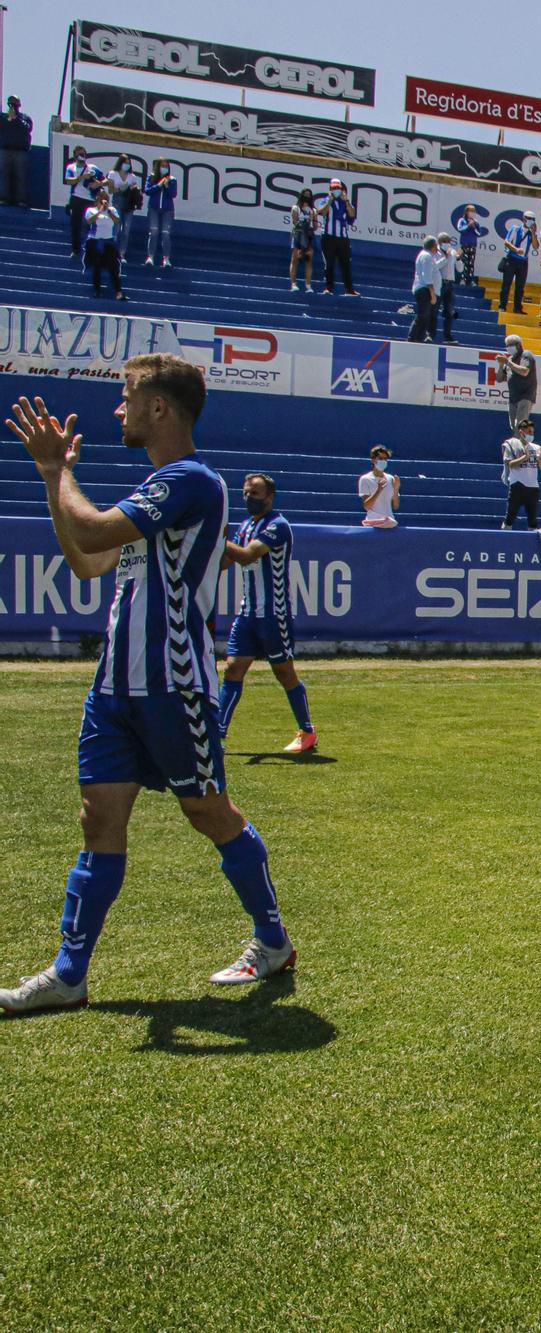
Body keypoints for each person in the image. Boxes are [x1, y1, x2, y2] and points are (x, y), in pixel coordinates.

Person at [0, 358, 298, 1017]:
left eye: (128, 396)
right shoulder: (159, 489)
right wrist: (54, 476)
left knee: (208, 813)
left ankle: (273, 941)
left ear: (160, 409)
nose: (119, 409)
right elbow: (87, 561)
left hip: (174, 687)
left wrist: (61, 471)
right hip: (114, 688)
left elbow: (92, 531)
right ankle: (69, 974)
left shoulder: (191, 481)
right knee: (98, 819)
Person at [217, 473, 317, 755]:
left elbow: (248, 555)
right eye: (246, 493)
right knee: (233, 668)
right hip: (248, 612)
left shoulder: (277, 526)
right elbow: (226, 562)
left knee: (284, 673)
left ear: (269, 497)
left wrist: (215, 536)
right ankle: (218, 735)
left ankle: (307, 731)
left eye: (255, 494)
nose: (249, 498)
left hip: (274, 613)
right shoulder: (245, 525)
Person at [316, 179, 359, 296]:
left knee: (345, 263)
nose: (336, 191)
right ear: (330, 189)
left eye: (338, 188)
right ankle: (328, 288)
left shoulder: (344, 202)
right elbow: (321, 212)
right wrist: (329, 200)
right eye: (334, 188)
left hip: (342, 237)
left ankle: (349, 289)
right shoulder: (325, 200)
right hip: (328, 236)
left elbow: (352, 214)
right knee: (329, 263)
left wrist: (347, 202)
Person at [82, 190, 127, 301]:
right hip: (95, 241)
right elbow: (89, 221)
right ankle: (97, 290)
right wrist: (100, 211)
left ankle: (118, 292)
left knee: (113, 267)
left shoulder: (112, 210)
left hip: (108, 241)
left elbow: (117, 221)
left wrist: (108, 211)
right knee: (96, 265)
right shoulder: (91, 210)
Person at [500, 422, 541, 530]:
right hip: (517, 485)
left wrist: (539, 458)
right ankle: (503, 539)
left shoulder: (537, 447)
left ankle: (532, 545)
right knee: (510, 517)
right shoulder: (511, 444)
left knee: (533, 520)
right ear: (521, 432)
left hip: (533, 487)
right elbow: (510, 464)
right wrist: (525, 456)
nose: (531, 434)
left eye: (533, 432)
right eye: (529, 432)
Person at [63, 148, 104, 258]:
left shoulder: (93, 168)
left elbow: (105, 180)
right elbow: (68, 180)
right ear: (75, 156)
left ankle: (91, 249)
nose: (81, 156)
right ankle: (76, 250)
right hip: (76, 198)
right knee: (75, 225)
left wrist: (98, 184)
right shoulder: (71, 167)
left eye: (83, 154)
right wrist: (82, 177)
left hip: (90, 200)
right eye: (79, 154)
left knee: (91, 225)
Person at [142, 160, 176, 267]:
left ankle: (166, 259)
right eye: (162, 166)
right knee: (154, 231)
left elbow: (173, 194)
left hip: (167, 210)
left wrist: (166, 186)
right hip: (154, 208)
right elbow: (147, 191)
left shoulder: (172, 179)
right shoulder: (151, 178)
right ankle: (150, 256)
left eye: (166, 166)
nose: (164, 168)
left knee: (166, 233)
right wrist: (158, 185)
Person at [497, 212, 532, 313]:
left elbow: (535, 246)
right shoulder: (515, 228)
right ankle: (502, 306)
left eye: (533, 219)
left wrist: (533, 234)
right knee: (506, 284)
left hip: (523, 262)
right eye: (529, 218)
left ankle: (517, 308)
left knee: (520, 286)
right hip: (512, 259)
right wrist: (516, 249)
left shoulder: (531, 233)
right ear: (524, 219)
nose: (531, 221)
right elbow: (506, 242)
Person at [0, 96, 31, 209]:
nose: (13, 106)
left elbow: (27, 128)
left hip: (20, 152)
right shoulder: (2, 117)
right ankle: (3, 198)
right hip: (5, 150)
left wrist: (16, 119)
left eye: (15, 104)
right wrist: (9, 118)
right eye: (11, 104)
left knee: (20, 177)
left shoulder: (25, 118)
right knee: (3, 176)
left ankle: (21, 200)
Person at [110, 155, 144, 256]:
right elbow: (110, 190)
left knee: (126, 230)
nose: (127, 165)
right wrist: (121, 188)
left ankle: (122, 253)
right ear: (120, 163)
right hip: (117, 200)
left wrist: (134, 188)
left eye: (129, 163)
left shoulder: (132, 176)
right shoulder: (113, 174)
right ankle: (112, 252)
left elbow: (135, 188)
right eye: (125, 163)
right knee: (116, 228)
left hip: (129, 203)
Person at [409, 238, 441, 343]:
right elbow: (427, 276)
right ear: (432, 246)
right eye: (436, 246)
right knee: (423, 314)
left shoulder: (425, 255)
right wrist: (432, 293)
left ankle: (419, 338)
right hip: (423, 288)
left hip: (423, 288)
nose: (437, 248)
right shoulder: (426, 256)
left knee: (426, 315)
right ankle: (413, 337)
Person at [502, 335, 538, 430]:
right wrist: (501, 365)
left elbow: (524, 371)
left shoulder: (526, 355)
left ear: (518, 345)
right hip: (513, 397)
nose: (508, 348)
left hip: (525, 396)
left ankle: (519, 444)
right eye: (507, 345)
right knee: (513, 426)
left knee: (521, 424)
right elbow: (500, 378)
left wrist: (508, 363)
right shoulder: (510, 359)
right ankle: (518, 442)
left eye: (511, 345)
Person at [358, 446, 399, 527]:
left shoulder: (390, 478)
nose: (383, 461)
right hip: (373, 522)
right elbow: (366, 506)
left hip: (389, 521)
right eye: (380, 458)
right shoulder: (365, 479)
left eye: (385, 459)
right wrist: (378, 490)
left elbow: (395, 506)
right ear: (373, 460)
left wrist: (396, 488)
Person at [288, 188, 318, 291]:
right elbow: (295, 222)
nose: (307, 197)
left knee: (308, 260)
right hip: (298, 234)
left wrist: (312, 223)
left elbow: (315, 226)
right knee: (295, 259)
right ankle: (293, 284)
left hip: (309, 236)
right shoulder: (295, 208)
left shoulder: (313, 210)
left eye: (309, 195)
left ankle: (308, 285)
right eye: (305, 194)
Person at [432, 233, 459, 343]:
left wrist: (459, 259)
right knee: (434, 310)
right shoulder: (435, 252)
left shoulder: (452, 252)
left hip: (450, 284)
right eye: (445, 242)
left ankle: (448, 335)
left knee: (449, 311)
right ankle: (430, 334)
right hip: (439, 283)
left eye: (449, 241)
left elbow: (460, 269)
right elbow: (436, 266)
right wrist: (446, 257)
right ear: (439, 242)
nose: (447, 244)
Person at [454, 205, 483, 285]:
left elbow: (479, 233)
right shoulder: (462, 220)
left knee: (471, 263)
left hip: (473, 246)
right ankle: (462, 279)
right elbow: (460, 229)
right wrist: (468, 226)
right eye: (471, 211)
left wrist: (473, 227)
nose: (473, 213)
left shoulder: (476, 222)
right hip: (464, 245)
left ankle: (470, 280)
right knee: (463, 262)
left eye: (474, 211)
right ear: (466, 212)